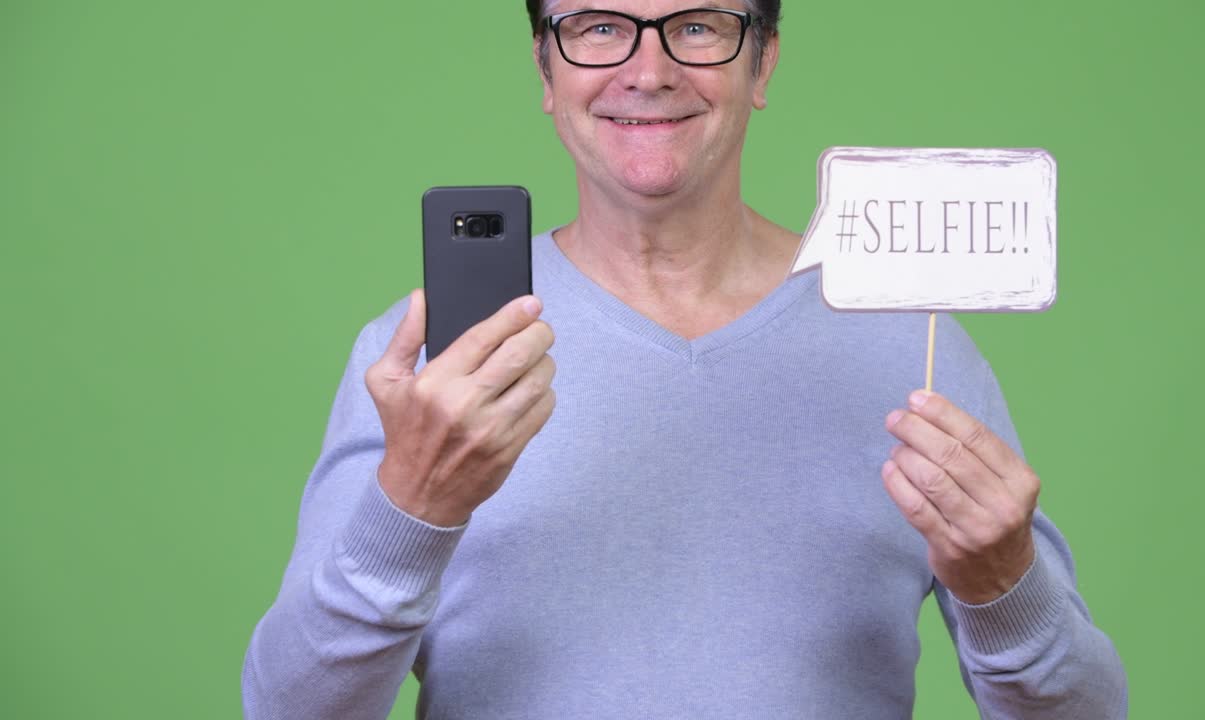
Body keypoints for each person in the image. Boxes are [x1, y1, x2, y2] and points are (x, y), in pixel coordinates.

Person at [242, 1, 1128, 717]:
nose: (649, 70)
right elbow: (288, 711)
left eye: (698, 25)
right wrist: (413, 509)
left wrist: (1003, 585)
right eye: (597, 26)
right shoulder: (426, 362)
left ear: (764, 61)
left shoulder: (912, 341)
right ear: (546, 70)